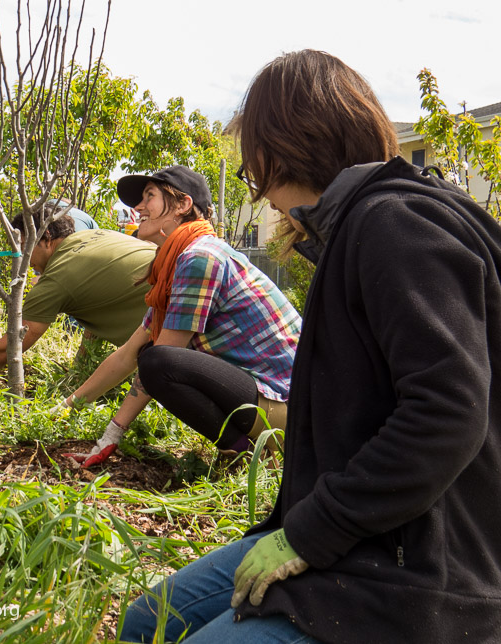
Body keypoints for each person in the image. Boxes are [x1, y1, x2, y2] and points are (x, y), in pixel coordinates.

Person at [119, 49, 501, 644]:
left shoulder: (395, 226)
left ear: (280, 150)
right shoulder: (359, 227)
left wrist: (309, 534)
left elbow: (448, 412)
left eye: (253, 172)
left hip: (414, 570)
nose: (260, 193)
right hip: (355, 531)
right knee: (147, 621)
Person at [56, 166, 300, 467]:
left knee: (159, 362)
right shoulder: (176, 263)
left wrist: (111, 435)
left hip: (293, 408)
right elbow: (126, 356)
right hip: (271, 399)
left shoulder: (199, 257)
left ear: (183, 205)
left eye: (150, 196)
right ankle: (247, 451)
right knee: (155, 359)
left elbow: (160, 361)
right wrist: (65, 408)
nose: (138, 207)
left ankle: (245, 457)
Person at [0, 203, 157, 380]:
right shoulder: (95, 235)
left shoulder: (56, 279)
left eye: (23, 245)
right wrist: (78, 371)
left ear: (46, 237)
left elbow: (8, 348)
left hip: (175, 331)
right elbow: (99, 309)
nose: (21, 256)